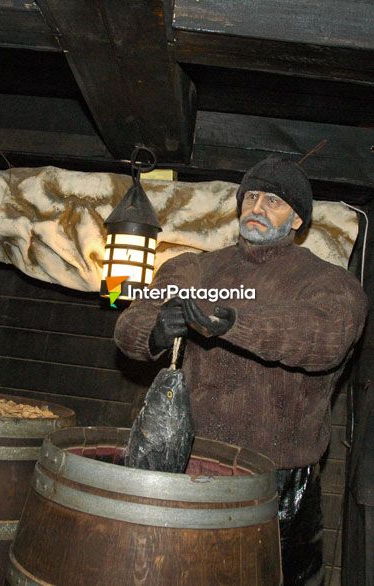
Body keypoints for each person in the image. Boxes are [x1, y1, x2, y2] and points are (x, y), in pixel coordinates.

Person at [114, 155, 368, 585]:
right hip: (192, 465)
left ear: (297, 221)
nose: (257, 207)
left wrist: (233, 322)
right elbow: (129, 323)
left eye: (273, 200)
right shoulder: (197, 268)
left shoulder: (329, 282)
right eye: (251, 196)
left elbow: (323, 337)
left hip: (281, 479)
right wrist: (157, 330)